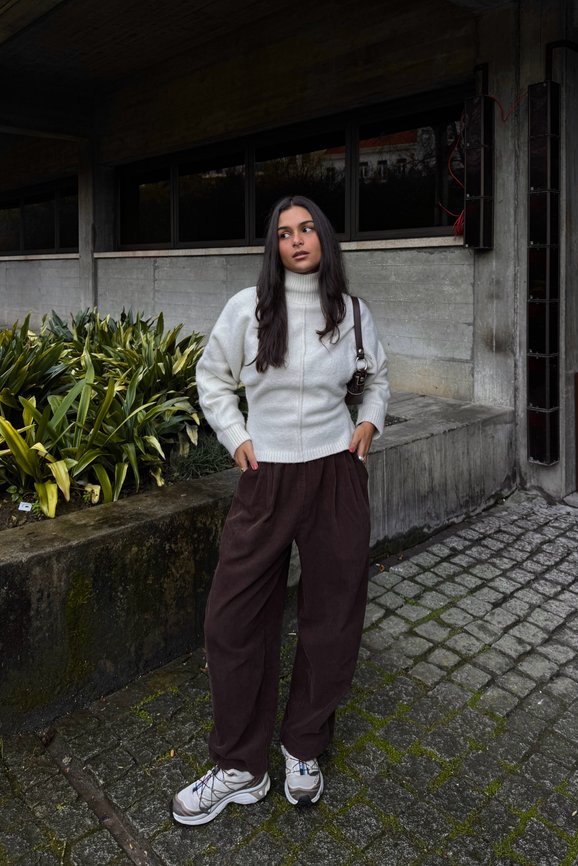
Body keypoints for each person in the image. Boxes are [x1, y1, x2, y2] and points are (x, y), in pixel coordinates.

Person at [172, 194, 390, 825]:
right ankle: (240, 765)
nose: (297, 240)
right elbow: (211, 378)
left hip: (334, 475)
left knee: (333, 613)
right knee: (233, 618)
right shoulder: (248, 307)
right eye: (284, 232)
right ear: (273, 245)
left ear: (324, 237)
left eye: (308, 229)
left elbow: (376, 378)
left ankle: (303, 746)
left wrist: (369, 422)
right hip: (265, 477)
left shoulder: (350, 312)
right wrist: (236, 436)